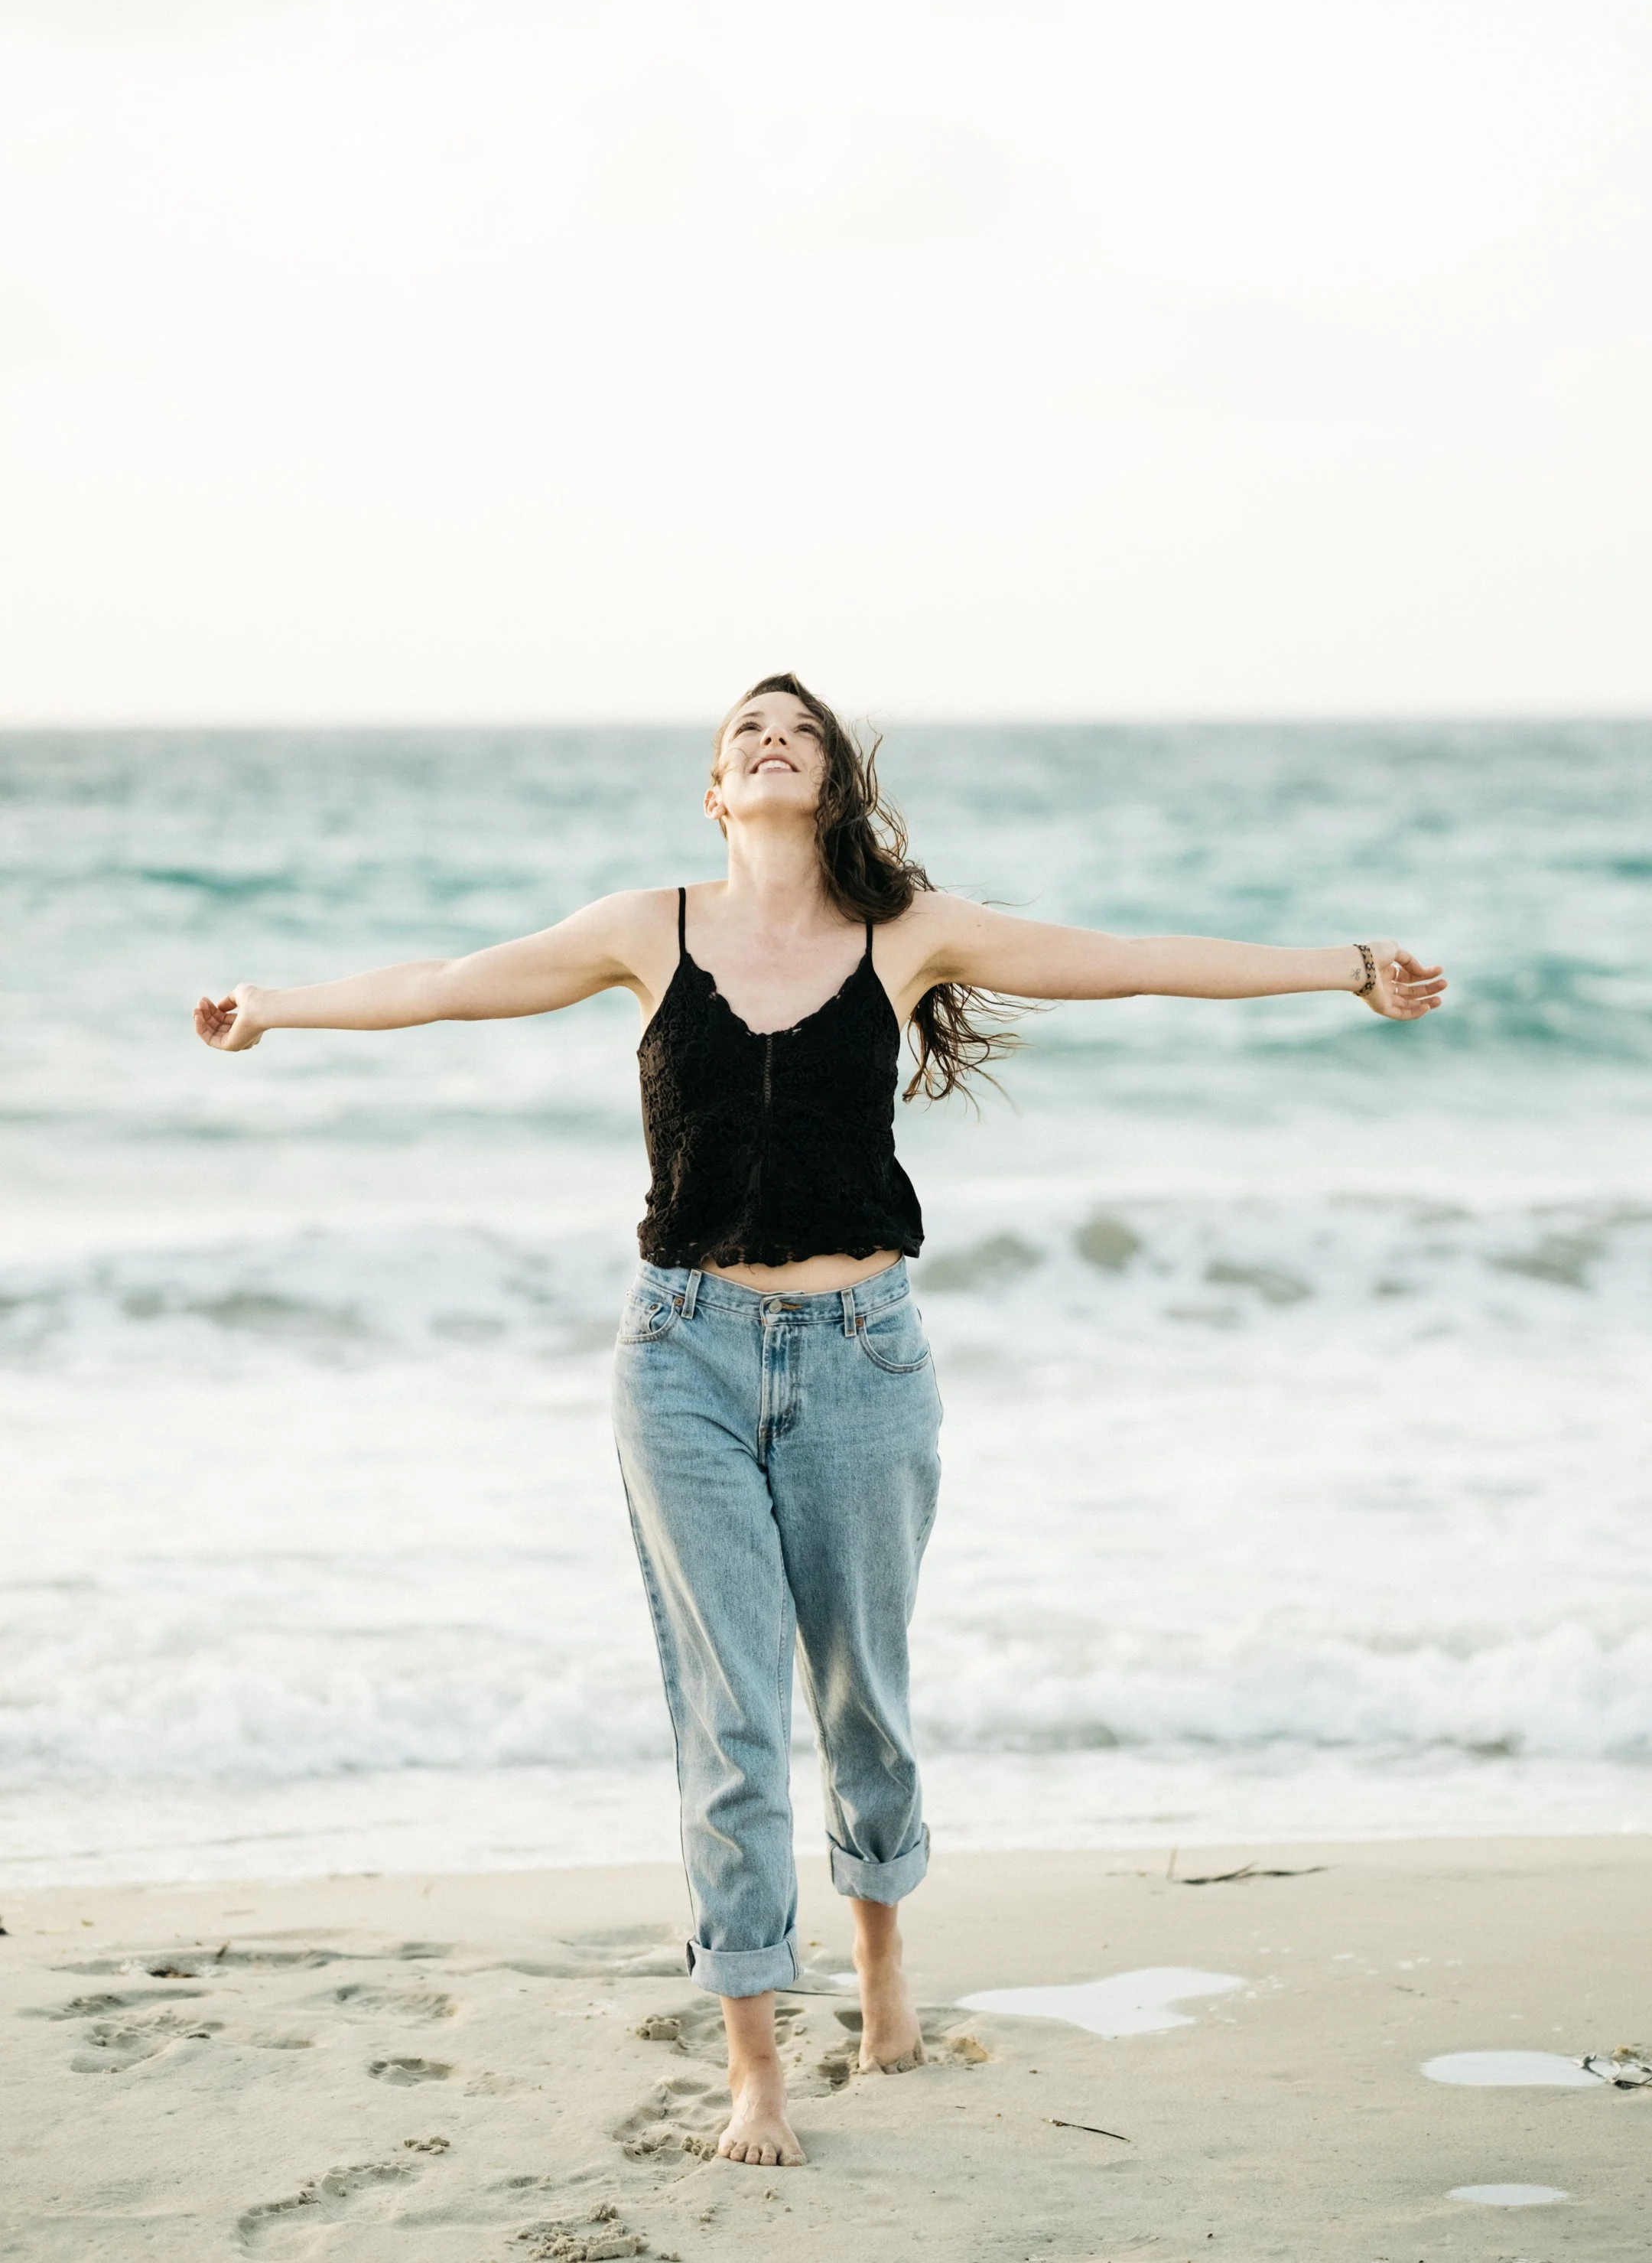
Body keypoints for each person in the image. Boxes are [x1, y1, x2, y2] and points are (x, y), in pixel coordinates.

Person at [194, 672, 1447, 2167]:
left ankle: (881, 1959)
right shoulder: (639, 930)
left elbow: (1128, 961)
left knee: (861, 1701)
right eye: (744, 733)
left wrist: (1347, 966)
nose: (771, 739)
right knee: (726, 1722)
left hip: (864, 1354)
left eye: (798, 729)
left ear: (833, 782)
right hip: (681, 1357)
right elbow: (449, 979)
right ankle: (753, 2069)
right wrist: (274, 1008)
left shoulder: (907, 931)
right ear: (716, 794)